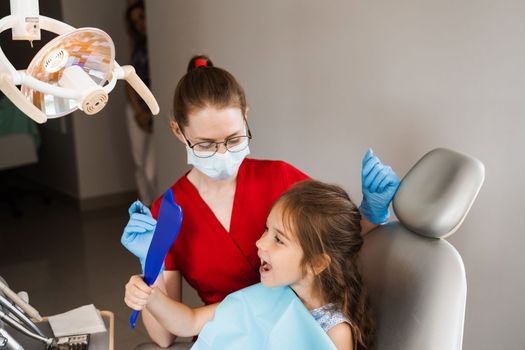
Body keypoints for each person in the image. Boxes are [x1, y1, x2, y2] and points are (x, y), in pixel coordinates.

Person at [121, 55, 398, 347]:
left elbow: (332, 240)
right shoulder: (167, 214)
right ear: (179, 131)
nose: (223, 154)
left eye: (234, 139)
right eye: (205, 144)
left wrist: (371, 212)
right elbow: (166, 335)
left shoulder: (280, 178)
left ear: (246, 117)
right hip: (226, 332)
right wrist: (149, 266)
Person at [125, 180, 374, 350]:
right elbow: (188, 322)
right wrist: (149, 295)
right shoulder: (266, 295)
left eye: (278, 239)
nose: (260, 243)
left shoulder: (334, 332)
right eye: (267, 229)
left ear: (317, 263)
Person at [124, 0, 156, 205]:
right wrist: (138, 111)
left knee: (150, 168)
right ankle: (147, 210)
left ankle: (157, 207)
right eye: (135, 22)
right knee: (139, 163)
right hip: (135, 108)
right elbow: (128, 81)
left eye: (142, 17)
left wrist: (150, 112)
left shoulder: (157, 45)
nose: (140, 24)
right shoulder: (137, 48)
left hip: (155, 109)